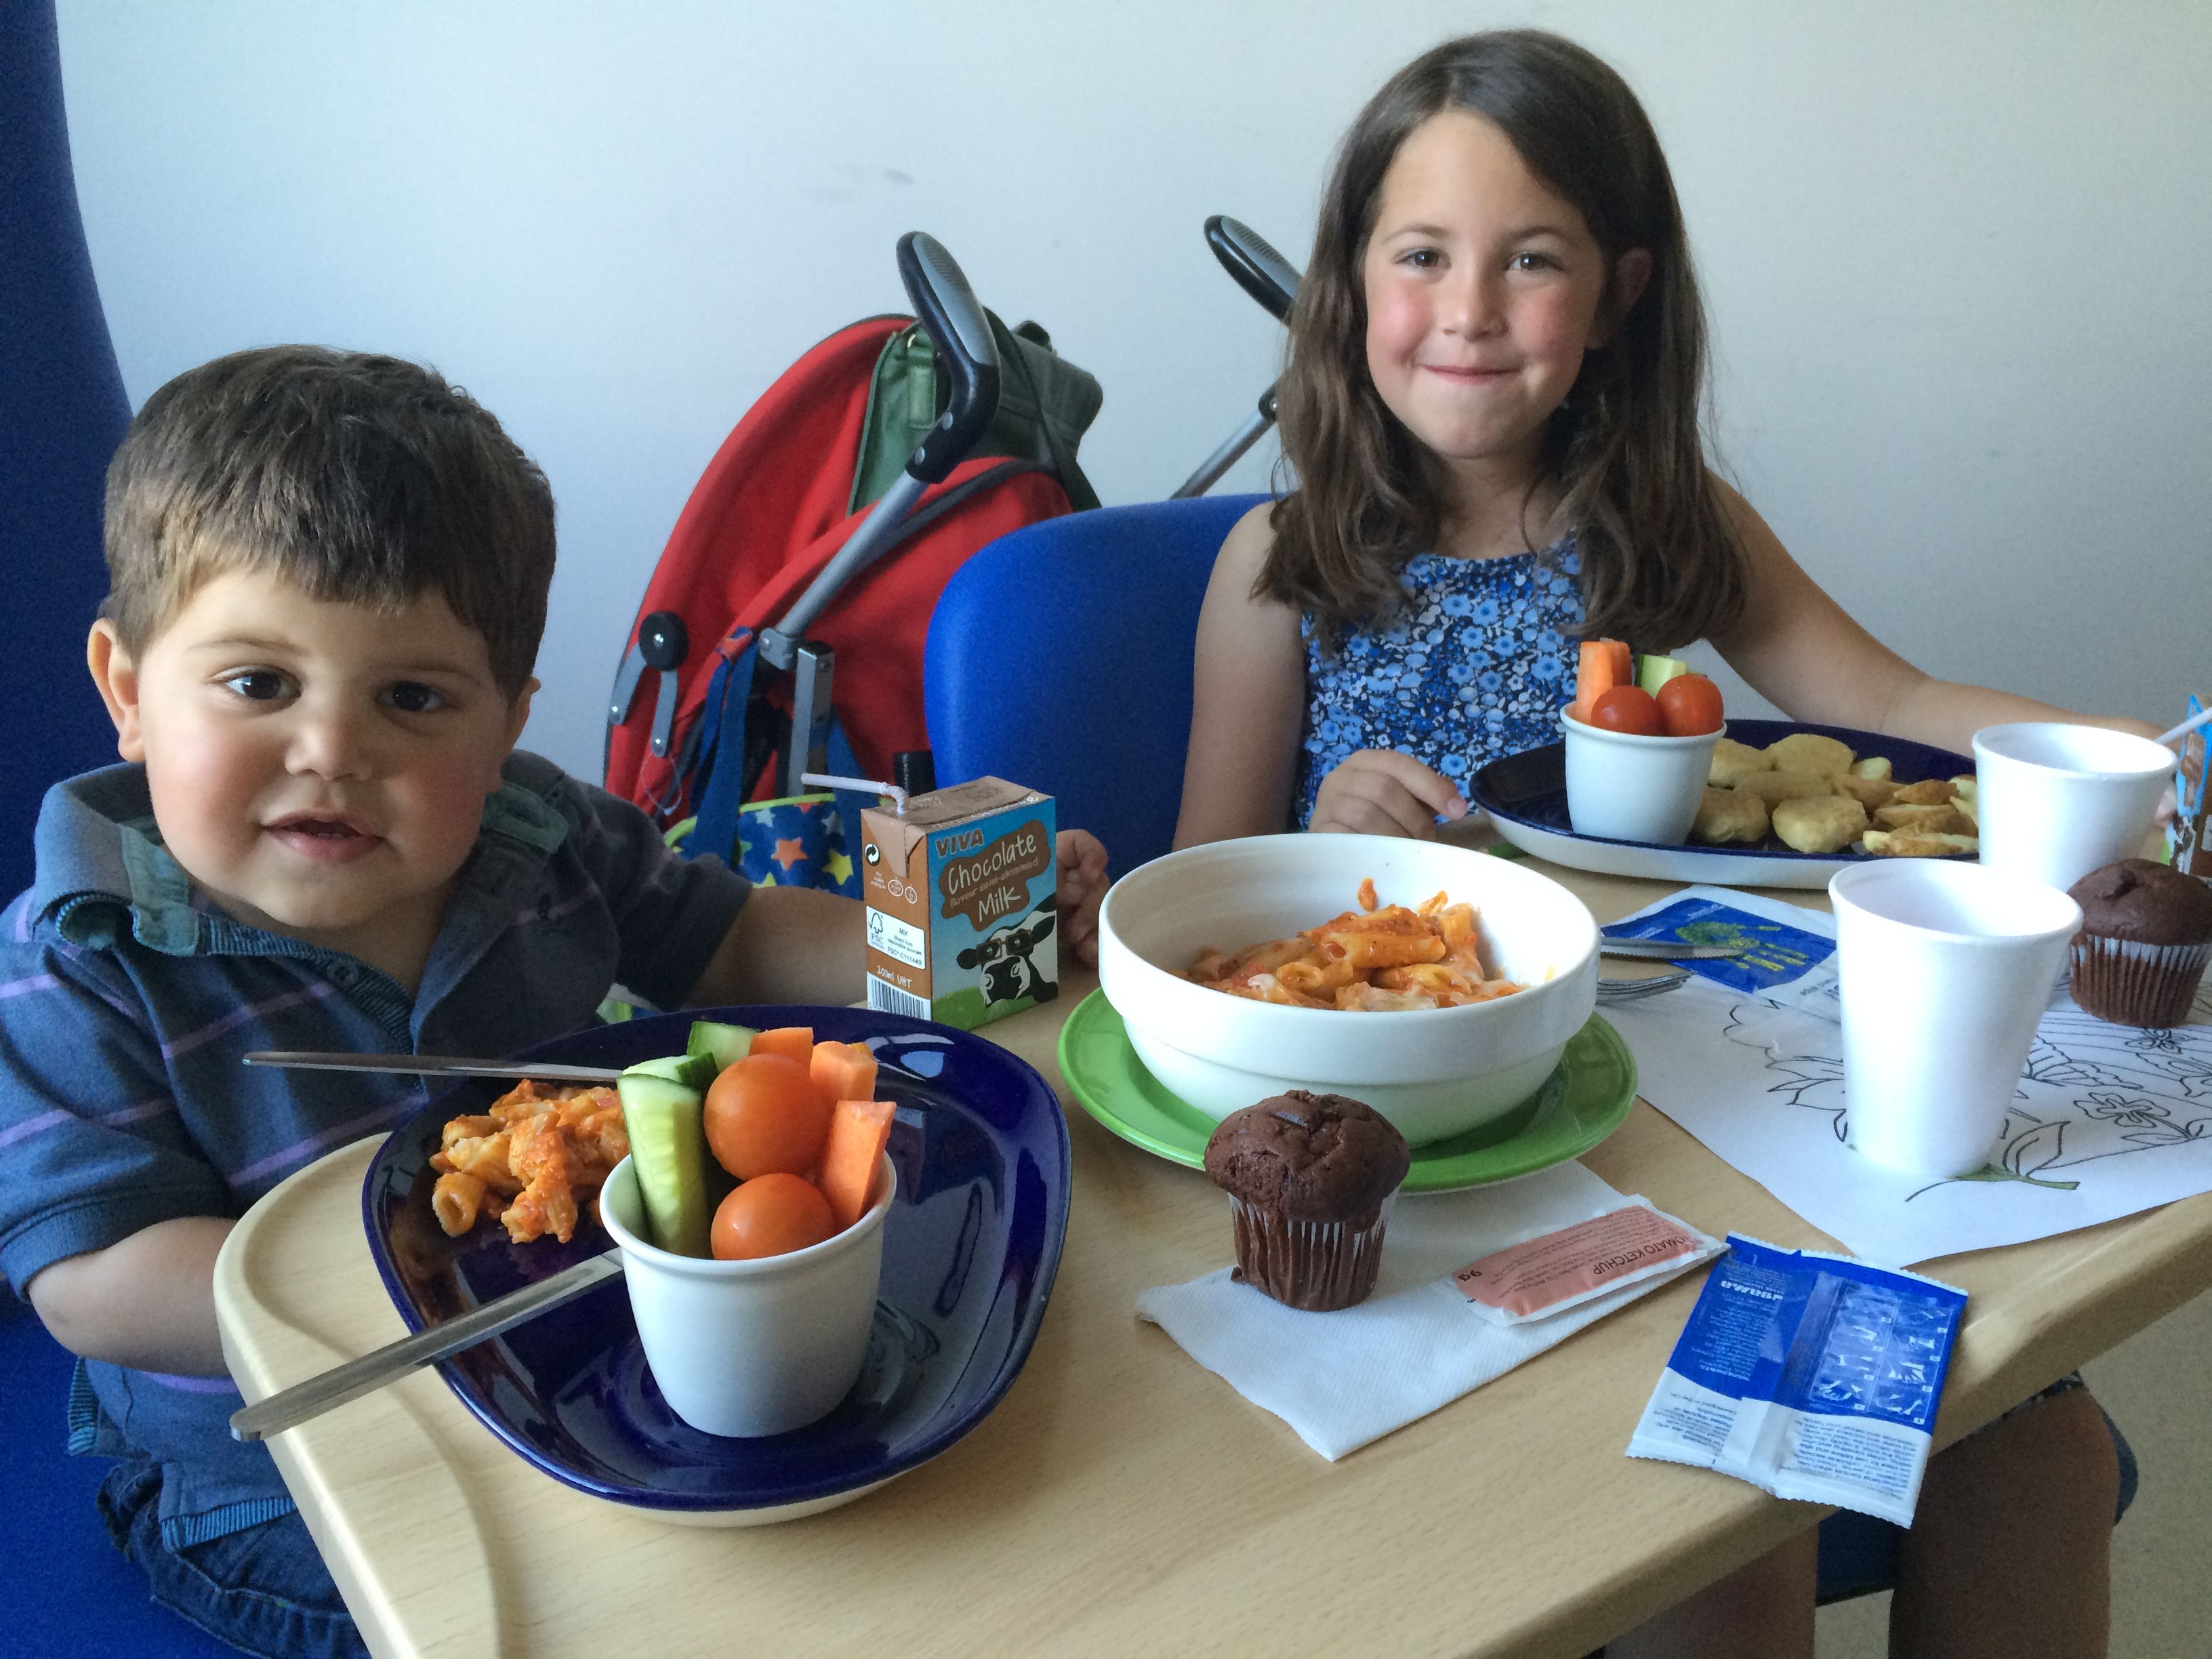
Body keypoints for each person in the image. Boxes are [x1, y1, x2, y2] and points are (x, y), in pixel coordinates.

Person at [1171, 30, 2139, 1659]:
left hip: (1711, 1103)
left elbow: (1893, 697)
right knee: (1727, 1540)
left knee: (2031, 1444)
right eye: (1422, 256)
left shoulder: (1667, 521)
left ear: (1617, 293)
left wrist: (2128, 772)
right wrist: (1320, 844)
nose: (1470, 309)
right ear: (1350, 283)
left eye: (1530, 259)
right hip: (1461, 1154)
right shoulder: (1282, 560)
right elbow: (1188, 894)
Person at [0, 345, 1109, 1659]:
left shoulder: (543, 834)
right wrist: (438, 1263)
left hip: (578, 1373)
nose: (335, 751)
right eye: (258, 685)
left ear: (508, 720)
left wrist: (956, 939)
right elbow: (90, 1283)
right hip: (276, 1473)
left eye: (413, 698)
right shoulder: (80, 952)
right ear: (129, 690)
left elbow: (743, 943)